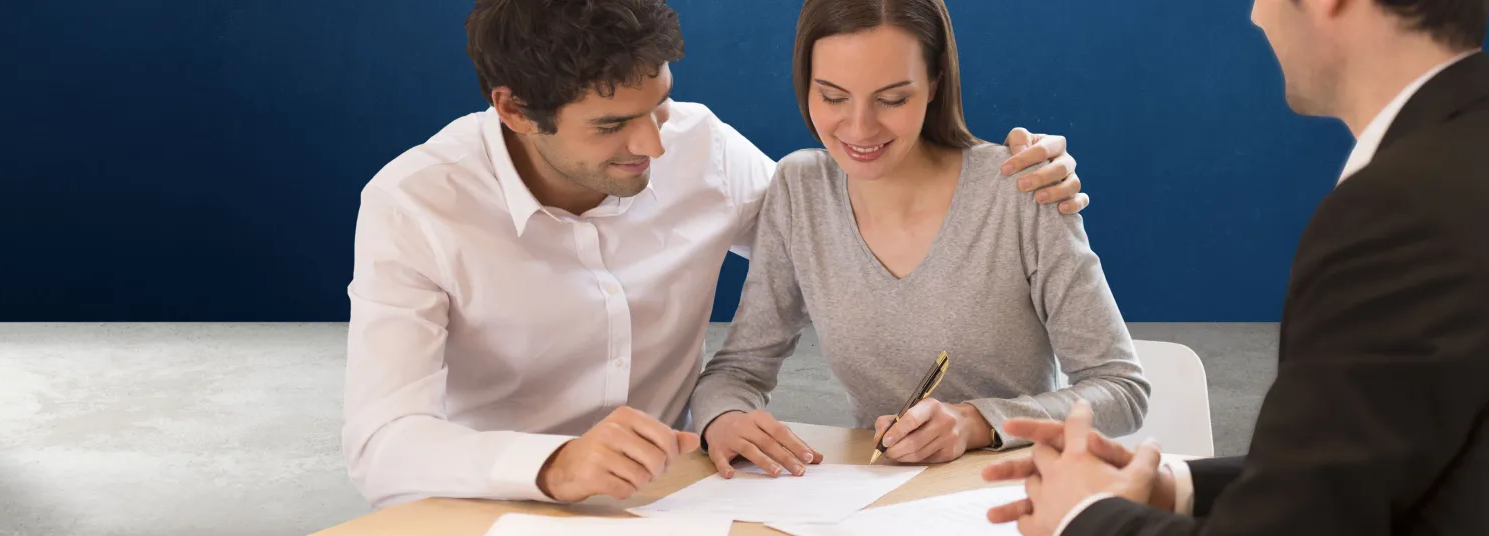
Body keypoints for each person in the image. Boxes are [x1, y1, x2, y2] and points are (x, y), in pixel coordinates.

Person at [343, 0, 1092, 508]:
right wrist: (551, 464)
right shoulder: (415, 205)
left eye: (658, 104)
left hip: (672, 499)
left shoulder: (699, 147)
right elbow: (381, 445)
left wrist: (1020, 173)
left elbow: (850, 207)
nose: (651, 144)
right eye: (611, 126)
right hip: (492, 507)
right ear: (513, 110)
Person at [981, 0, 1489, 534]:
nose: (1256, 16)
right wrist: (1176, 487)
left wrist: (1083, 517)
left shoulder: (1397, 210)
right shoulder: (1455, 171)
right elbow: (1369, 463)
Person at [689, 0, 1147, 480]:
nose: (860, 128)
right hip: (878, 501)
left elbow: (1121, 390)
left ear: (934, 83)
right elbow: (737, 371)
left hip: (1007, 499)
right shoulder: (800, 188)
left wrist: (974, 424)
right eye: (832, 96)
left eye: (891, 99)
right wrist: (725, 418)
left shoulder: (1021, 189)